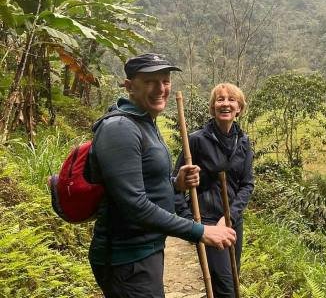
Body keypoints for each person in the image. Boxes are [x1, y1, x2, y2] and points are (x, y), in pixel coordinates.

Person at [88, 53, 236, 298]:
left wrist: (175, 184)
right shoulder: (120, 129)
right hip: (127, 259)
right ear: (129, 86)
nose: (161, 89)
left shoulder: (144, 121)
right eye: (150, 82)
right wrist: (200, 231)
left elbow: (143, 184)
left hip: (145, 251)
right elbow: (134, 205)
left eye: (165, 81)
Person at [174, 82, 254, 298]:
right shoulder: (196, 140)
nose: (225, 104)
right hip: (207, 221)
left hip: (232, 221)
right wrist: (190, 223)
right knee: (225, 286)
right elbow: (174, 184)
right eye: (220, 99)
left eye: (231, 100)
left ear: (239, 108)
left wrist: (229, 217)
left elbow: (247, 184)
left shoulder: (243, 141)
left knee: (234, 280)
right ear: (212, 107)